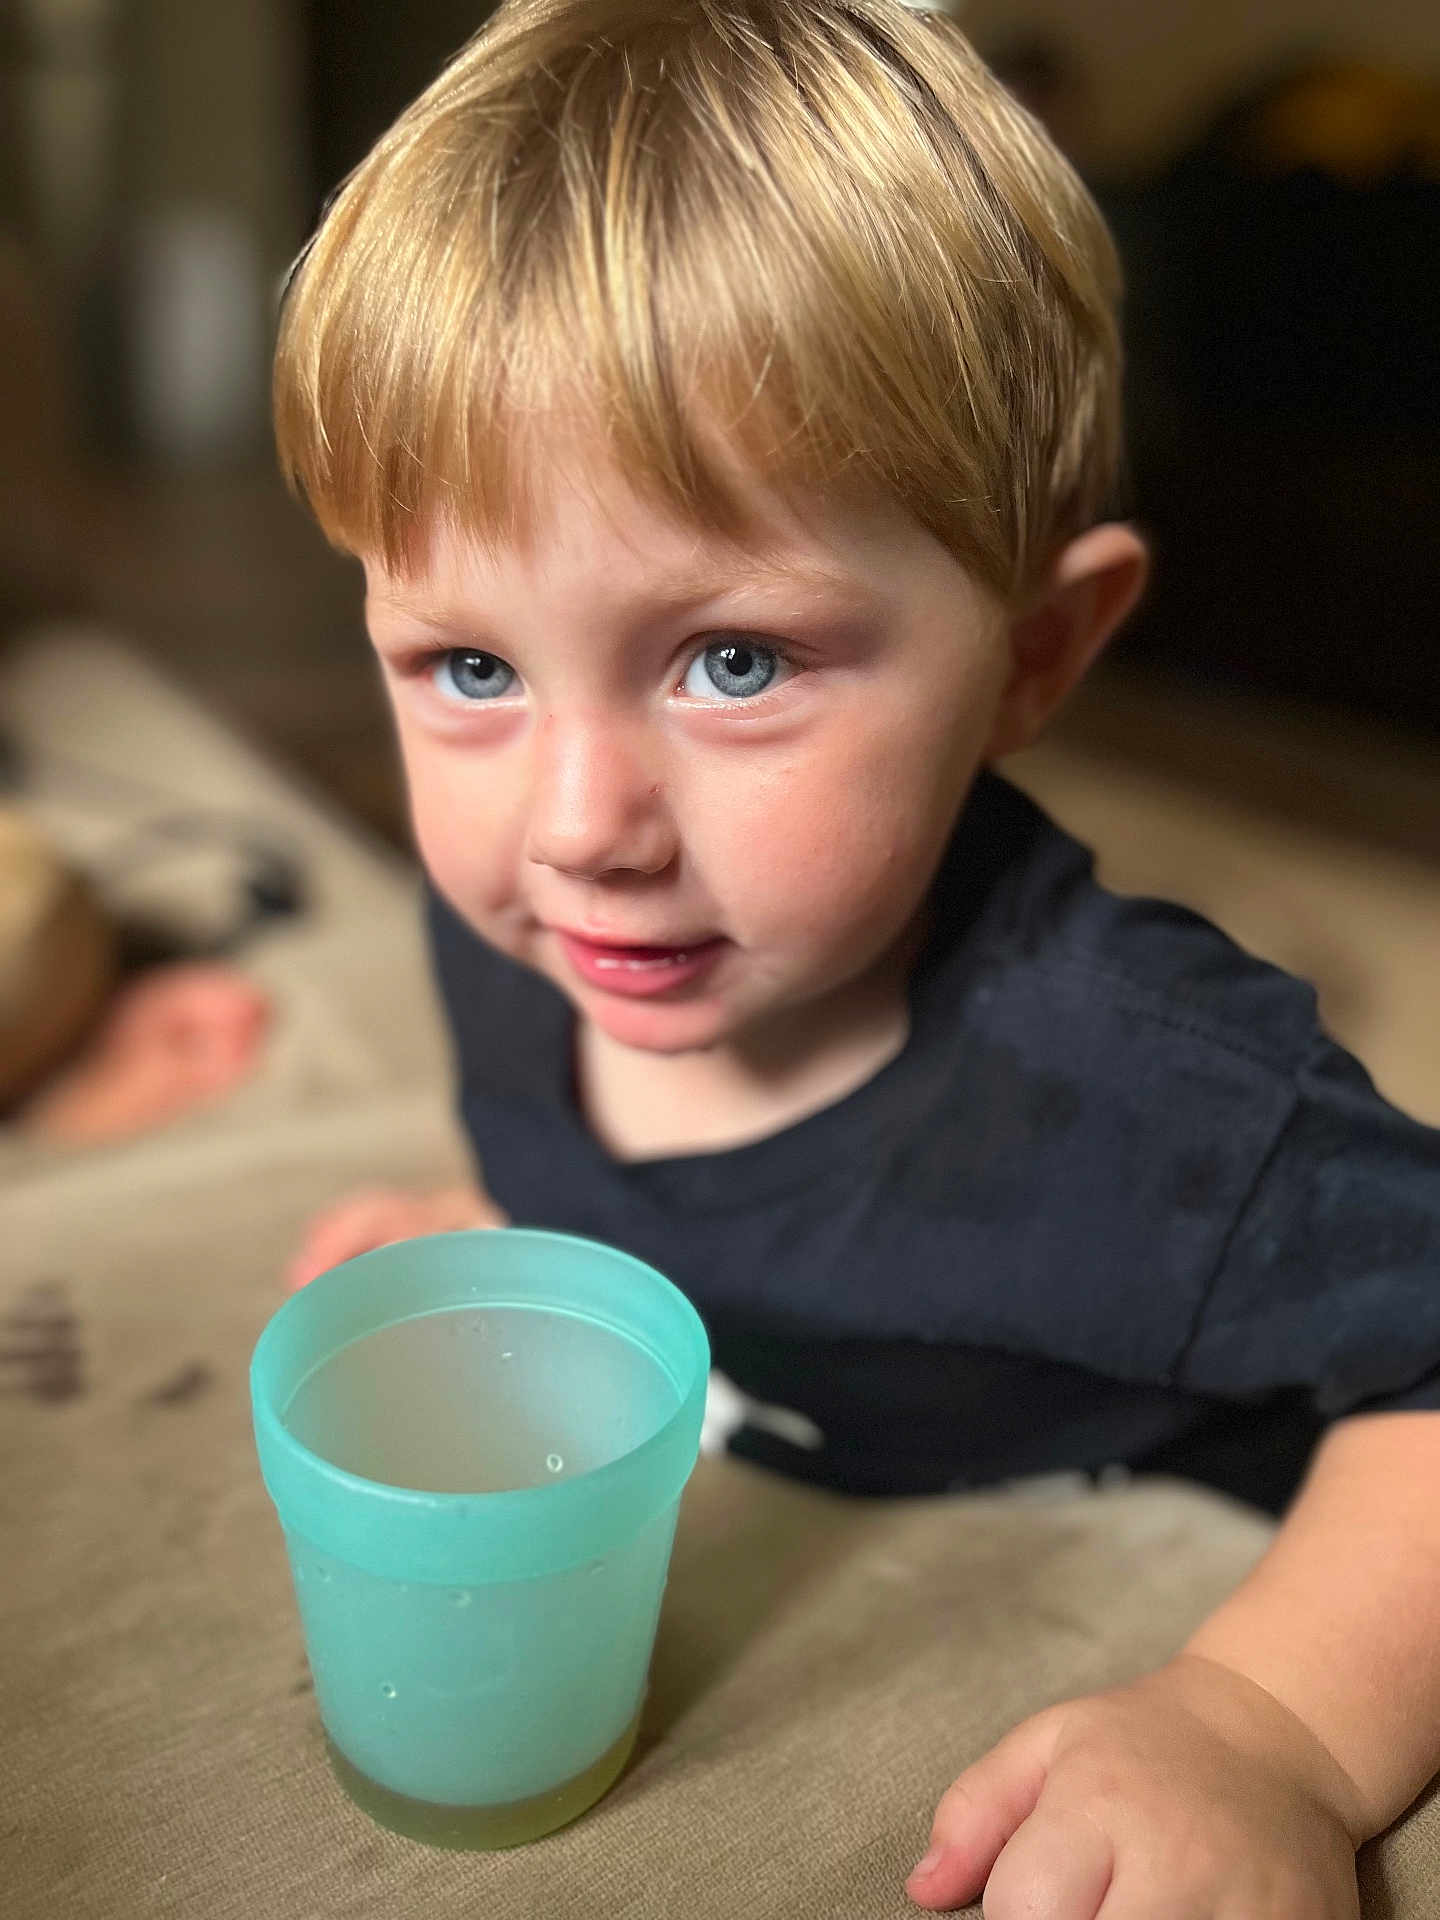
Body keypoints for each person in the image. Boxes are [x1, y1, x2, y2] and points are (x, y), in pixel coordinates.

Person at [273, 1, 1440, 1911]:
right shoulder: (531, 928)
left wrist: (1269, 1730)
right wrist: (513, 1228)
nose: (577, 827)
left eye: (734, 660)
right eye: (471, 666)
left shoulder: (1148, 1093)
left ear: (1039, 656)